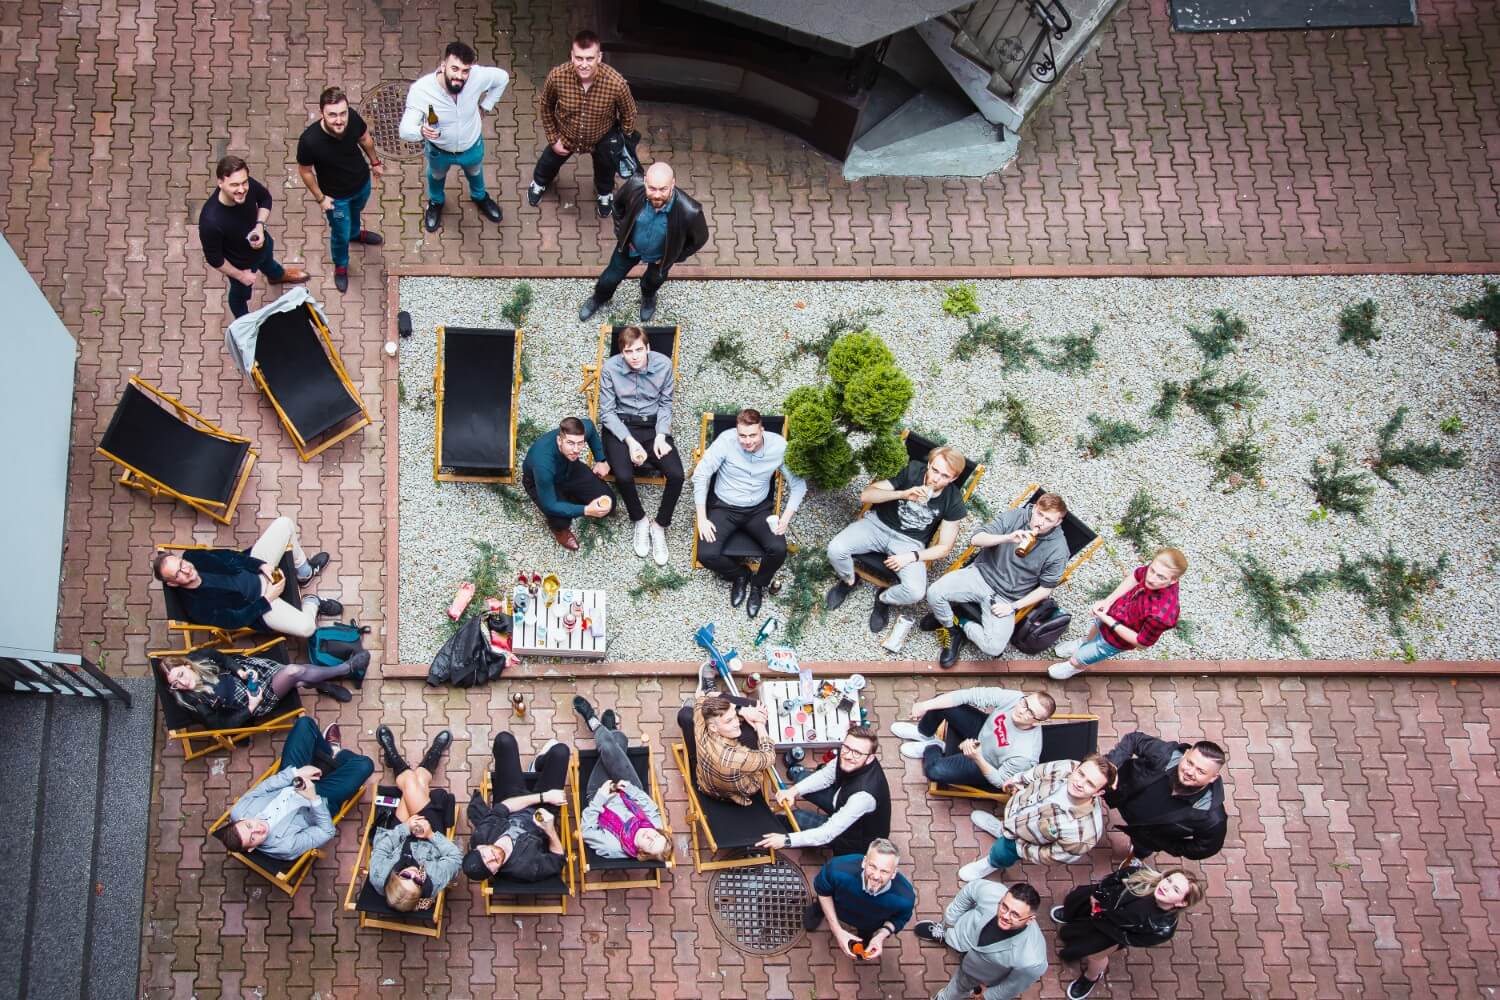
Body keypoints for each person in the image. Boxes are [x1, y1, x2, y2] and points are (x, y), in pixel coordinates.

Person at [824, 445, 968, 633]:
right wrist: (902, 493)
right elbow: (866, 494)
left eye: (945, 476)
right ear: (930, 464)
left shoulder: (953, 499)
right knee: (835, 550)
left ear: (954, 478)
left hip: (909, 543)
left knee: (916, 592)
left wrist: (911, 557)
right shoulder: (911, 470)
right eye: (935, 470)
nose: (936, 478)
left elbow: (944, 547)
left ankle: (883, 598)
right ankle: (849, 580)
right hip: (877, 525)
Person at [922, 492, 1070, 668]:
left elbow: (1046, 589)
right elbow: (976, 539)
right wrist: (1007, 537)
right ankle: (951, 629)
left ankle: (961, 621)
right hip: (981, 575)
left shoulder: (1059, 550)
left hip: (1007, 597)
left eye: (1048, 520)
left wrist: (1013, 607)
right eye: (1039, 514)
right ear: (1035, 507)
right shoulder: (1016, 516)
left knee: (993, 648)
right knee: (934, 593)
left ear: (1058, 522)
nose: (1040, 522)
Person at [690, 408, 807, 618]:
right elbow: (700, 475)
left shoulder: (779, 446)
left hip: (758, 509)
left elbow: (798, 484)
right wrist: (702, 518)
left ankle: (757, 584)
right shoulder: (726, 441)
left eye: (752, 435)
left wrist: (786, 518)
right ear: (737, 432)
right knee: (706, 554)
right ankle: (740, 575)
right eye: (742, 435)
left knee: (778, 549)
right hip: (724, 506)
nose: (747, 441)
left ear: (762, 430)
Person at [151, 516, 342, 639]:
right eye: (178, 574)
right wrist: (269, 597)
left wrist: (262, 565)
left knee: (284, 524)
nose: (186, 570)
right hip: (263, 602)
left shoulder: (193, 557)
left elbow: (229, 556)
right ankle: (312, 602)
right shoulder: (196, 608)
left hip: (257, 568)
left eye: (181, 564)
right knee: (307, 628)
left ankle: (304, 573)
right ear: (172, 583)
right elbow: (235, 620)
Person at [213, 718, 373, 859]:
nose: (257, 830)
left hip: (291, 782)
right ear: (252, 848)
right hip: (318, 801)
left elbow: (266, 787)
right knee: (365, 765)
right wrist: (313, 798)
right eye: (253, 838)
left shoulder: (238, 810)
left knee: (305, 724)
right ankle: (336, 755)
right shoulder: (285, 847)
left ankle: (330, 751)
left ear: (242, 819)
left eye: (249, 826)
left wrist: (295, 773)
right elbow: (326, 831)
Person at [577, 161, 708, 323]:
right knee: (610, 277)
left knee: (653, 281)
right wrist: (622, 236)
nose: (657, 195)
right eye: (652, 188)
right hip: (630, 248)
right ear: (645, 181)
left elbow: (700, 240)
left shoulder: (691, 211)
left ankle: (648, 297)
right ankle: (599, 297)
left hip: (661, 257)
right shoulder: (633, 186)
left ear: (673, 184)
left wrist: (673, 256)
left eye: (663, 189)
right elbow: (617, 207)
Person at [399, 41, 509, 233]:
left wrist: (486, 106)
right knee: (436, 176)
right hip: (438, 151)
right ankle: (436, 202)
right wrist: (421, 132)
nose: (459, 76)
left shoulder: (478, 76)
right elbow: (405, 129)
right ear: (443, 66)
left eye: (465, 71)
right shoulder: (421, 90)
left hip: (471, 146)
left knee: (475, 173)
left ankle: (480, 196)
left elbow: (503, 78)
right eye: (455, 69)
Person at [1053, 864, 1207, 999]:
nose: (1166, 886)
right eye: (1169, 880)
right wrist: (1097, 895)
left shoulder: (1162, 928)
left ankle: (1091, 977)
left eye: (1175, 889)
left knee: (1095, 956)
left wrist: (1106, 926)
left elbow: (1133, 939)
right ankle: (1071, 914)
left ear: (1182, 902)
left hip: (1112, 931)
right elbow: (1114, 878)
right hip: (1100, 906)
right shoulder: (1141, 874)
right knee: (1077, 907)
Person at [527, 29, 638, 217]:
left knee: (606, 170)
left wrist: (620, 139)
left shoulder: (616, 83)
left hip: (602, 137)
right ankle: (539, 182)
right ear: (572, 56)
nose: (584, 64)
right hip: (567, 134)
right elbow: (546, 106)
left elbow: (629, 113)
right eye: (579, 58)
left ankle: (604, 194)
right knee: (548, 162)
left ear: (599, 57)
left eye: (589, 58)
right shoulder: (557, 76)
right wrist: (554, 139)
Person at [598, 325, 682, 566]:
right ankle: (640, 520)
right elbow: (607, 412)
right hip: (621, 427)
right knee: (623, 475)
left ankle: (659, 526)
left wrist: (660, 435)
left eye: (638, 350)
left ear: (648, 347)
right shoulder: (610, 368)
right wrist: (631, 442)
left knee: (676, 475)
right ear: (621, 353)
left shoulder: (663, 364)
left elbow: (666, 403)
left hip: (653, 426)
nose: (634, 356)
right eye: (628, 351)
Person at [960, 755, 1115, 883]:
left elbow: (1054, 855)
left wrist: (1021, 849)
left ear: (1098, 793)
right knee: (1006, 828)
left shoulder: (1085, 833)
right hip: (1016, 811)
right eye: (1081, 774)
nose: (1079, 783)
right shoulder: (1068, 766)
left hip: (1022, 841)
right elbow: (1040, 771)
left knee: (1001, 853)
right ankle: (1002, 828)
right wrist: (1018, 779)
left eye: (1090, 784)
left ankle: (990, 863)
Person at [296, 86, 384, 294]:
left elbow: (365, 139)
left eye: (342, 113)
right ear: (322, 114)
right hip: (336, 199)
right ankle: (341, 265)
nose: (339, 120)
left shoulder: (352, 119)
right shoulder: (310, 141)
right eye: (332, 115)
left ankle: (355, 233)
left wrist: (375, 162)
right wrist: (320, 198)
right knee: (339, 233)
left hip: (362, 184)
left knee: (356, 213)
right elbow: (305, 171)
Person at [198, 155, 309, 319]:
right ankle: (244, 322)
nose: (242, 189)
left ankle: (277, 276)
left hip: (262, 244)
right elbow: (214, 258)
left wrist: (259, 226)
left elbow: (265, 198)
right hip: (242, 265)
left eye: (244, 182)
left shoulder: (247, 187)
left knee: (269, 262)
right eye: (234, 185)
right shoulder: (211, 221)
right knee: (239, 295)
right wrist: (241, 276)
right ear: (220, 183)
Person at [1049, 548, 1186, 680]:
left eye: (1160, 577)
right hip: (1114, 612)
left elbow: (1141, 643)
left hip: (1116, 641)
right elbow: (1135, 576)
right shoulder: (1156, 571)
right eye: (1152, 570)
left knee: (1080, 658)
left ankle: (1074, 666)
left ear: (1174, 580)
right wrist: (1107, 602)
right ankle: (1082, 643)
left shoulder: (1163, 615)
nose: (1151, 578)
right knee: (1093, 631)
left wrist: (1109, 620)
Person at [756, 725, 890, 855]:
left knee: (797, 817)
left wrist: (786, 841)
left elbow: (827, 833)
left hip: (853, 835)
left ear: (870, 758)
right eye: (847, 747)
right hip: (841, 799)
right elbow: (826, 776)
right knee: (801, 778)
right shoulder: (850, 755)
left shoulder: (864, 796)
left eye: (857, 753)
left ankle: (768, 828)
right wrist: (792, 792)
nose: (849, 755)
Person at [368, 726, 461, 911]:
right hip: (428, 833)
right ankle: (411, 759)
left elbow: (381, 848)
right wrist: (430, 835)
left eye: (405, 876)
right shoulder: (434, 880)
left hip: (398, 833)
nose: (412, 873)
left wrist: (405, 827)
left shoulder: (379, 876)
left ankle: (395, 758)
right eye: (417, 880)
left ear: (394, 877)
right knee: (415, 781)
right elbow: (456, 858)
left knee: (412, 782)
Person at [571, 697, 674, 863]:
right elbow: (650, 806)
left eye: (650, 843)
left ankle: (598, 725)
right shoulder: (654, 826)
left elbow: (586, 831)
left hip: (600, 795)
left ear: (642, 853)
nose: (650, 835)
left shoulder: (612, 846)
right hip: (628, 789)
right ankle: (606, 729)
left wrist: (601, 797)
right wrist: (631, 789)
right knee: (616, 741)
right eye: (655, 835)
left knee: (617, 741)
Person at [891, 688, 1056, 790]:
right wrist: (924, 705)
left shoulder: (1025, 755)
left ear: (1038, 721)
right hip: (983, 729)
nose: (1022, 711)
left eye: (1031, 713)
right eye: (1025, 704)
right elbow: (969, 695)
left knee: (934, 771)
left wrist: (977, 757)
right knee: (942, 702)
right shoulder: (1015, 699)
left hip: (984, 761)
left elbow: (1000, 781)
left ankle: (933, 747)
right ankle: (924, 733)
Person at [462, 732, 572, 883]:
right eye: (490, 866)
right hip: (542, 814)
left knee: (504, 740)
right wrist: (550, 830)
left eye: (485, 855)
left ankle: (538, 765)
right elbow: (558, 859)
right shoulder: (525, 869)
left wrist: (544, 796)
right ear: (493, 873)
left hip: (512, 801)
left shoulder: (482, 835)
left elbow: (504, 807)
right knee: (561, 752)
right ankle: (539, 766)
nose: (492, 858)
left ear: (480, 847)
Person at [912, 880, 1047, 1000]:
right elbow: (970, 890)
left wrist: (987, 996)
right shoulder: (993, 892)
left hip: (977, 973)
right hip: (962, 934)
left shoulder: (1032, 960)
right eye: (1004, 906)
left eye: (1015, 914)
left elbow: (1013, 986)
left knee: (958, 989)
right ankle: (945, 933)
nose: (1005, 916)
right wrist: (950, 920)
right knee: (952, 934)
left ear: (1030, 920)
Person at [159, 646, 369, 723]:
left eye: (180, 674)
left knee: (298, 676)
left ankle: (321, 685)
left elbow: (219, 656)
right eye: (175, 684)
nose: (182, 682)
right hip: (252, 698)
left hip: (248, 672)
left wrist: (239, 670)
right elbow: (220, 725)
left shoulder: (197, 657)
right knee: (294, 671)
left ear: (186, 664)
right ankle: (346, 669)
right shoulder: (194, 701)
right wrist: (251, 707)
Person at [1105, 733, 1228, 861]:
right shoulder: (1166, 755)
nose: (1190, 772)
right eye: (1189, 763)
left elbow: (1205, 848)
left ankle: (1135, 857)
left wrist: (1166, 844)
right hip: (1119, 792)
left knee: (1141, 848)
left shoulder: (1211, 817)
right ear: (1185, 754)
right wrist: (1112, 765)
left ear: (1213, 777)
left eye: (1201, 771)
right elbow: (1134, 739)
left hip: (1144, 835)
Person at [803, 839, 915, 960]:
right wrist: (836, 929)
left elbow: (900, 918)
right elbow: (823, 891)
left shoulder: (905, 898)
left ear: (893, 874)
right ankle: (818, 910)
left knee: (866, 936)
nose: (876, 876)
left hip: (869, 923)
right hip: (838, 904)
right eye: (872, 866)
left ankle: (867, 938)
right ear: (864, 862)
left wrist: (881, 935)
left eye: (884, 871)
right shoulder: (837, 869)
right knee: (822, 904)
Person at [521, 416, 615, 551]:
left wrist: (602, 459)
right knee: (561, 520)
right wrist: (586, 510)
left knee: (610, 501)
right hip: (542, 482)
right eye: (570, 443)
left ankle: (569, 498)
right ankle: (559, 529)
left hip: (570, 468)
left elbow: (591, 428)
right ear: (560, 440)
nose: (576, 450)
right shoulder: (543, 464)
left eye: (580, 443)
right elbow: (550, 505)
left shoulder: (583, 431)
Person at [689, 691, 775, 806]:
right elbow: (770, 757)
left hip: (705, 785)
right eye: (729, 721)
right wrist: (760, 723)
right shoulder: (738, 757)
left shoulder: (700, 721)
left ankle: (740, 711)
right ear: (713, 727)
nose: (736, 723)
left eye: (735, 716)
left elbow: (703, 697)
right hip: (739, 791)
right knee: (755, 716)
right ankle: (753, 710)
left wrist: (743, 711)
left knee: (747, 711)